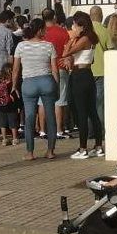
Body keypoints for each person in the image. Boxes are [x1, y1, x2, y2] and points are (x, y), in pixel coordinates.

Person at [11, 18, 59, 160]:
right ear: (39, 31)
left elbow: (15, 69)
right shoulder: (49, 46)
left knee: (30, 117)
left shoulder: (21, 46)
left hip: (29, 84)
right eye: (44, 29)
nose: (46, 31)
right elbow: (55, 69)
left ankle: (30, 152)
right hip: (47, 81)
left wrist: (14, 85)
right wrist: (56, 85)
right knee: (50, 117)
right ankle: (50, 151)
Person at [66, 12, 104, 159]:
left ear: (81, 25)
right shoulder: (92, 38)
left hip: (80, 76)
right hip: (87, 74)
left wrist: (73, 38)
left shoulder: (84, 39)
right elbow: (91, 60)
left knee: (81, 111)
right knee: (92, 111)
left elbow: (66, 52)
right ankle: (98, 145)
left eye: (75, 24)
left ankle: (83, 148)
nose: (73, 27)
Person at [41, 9, 70, 139]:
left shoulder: (40, 33)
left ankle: (42, 130)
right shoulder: (62, 32)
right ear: (54, 17)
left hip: (43, 69)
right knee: (59, 100)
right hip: (60, 67)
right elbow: (67, 50)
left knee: (42, 101)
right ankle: (59, 129)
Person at [88, 6, 111, 128]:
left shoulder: (85, 30)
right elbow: (111, 50)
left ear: (90, 15)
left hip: (87, 70)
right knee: (99, 103)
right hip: (102, 70)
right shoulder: (105, 31)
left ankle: (90, 130)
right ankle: (100, 129)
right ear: (101, 16)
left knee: (87, 102)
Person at [0, 68, 20, 146]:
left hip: (0, 107)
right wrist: (18, 107)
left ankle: (4, 139)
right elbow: (16, 97)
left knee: (2, 124)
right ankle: (15, 139)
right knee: (13, 124)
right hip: (11, 108)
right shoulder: (11, 85)